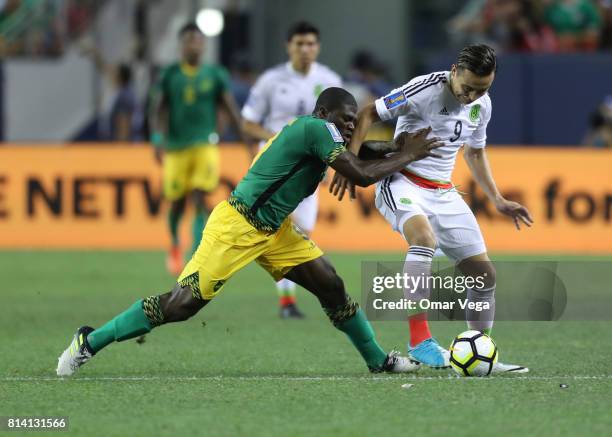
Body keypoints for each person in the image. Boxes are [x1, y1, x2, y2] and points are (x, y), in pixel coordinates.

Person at [56, 87, 444, 377]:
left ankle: (378, 360)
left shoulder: (322, 138)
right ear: (322, 112)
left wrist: (396, 147)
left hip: (274, 231)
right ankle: (89, 340)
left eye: (352, 122)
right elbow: (360, 174)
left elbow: (364, 158)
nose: (349, 125)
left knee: (331, 285)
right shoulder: (314, 128)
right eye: (343, 119)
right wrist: (407, 153)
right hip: (237, 225)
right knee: (181, 305)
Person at [330, 45, 532, 373]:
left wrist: (497, 199)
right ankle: (420, 341)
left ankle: (480, 354)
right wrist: (349, 163)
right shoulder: (424, 89)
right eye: (467, 87)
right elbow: (368, 113)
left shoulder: (483, 104)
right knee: (423, 239)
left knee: (484, 275)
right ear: (454, 71)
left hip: (444, 192)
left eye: (482, 89)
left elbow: (475, 153)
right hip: (402, 181)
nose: (471, 96)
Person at [241, 21, 342, 318]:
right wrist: (277, 141)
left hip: (311, 168)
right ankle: (287, 301)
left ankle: (292, 296)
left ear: (318, 46)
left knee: (303, 232)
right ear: (289, 46)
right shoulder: (271, 80)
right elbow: (248, 122)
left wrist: (335, 161)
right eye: (299, 43)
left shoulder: (330, 80)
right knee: (274, 227)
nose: (305, 49)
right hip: (277, 165)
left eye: (310, 43)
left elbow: (342, 126)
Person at [150, 22, 244, 275]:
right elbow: (159, 108)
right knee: (178, 202)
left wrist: (243, 139)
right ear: (182, 44)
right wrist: (158, 139)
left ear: (204, 45)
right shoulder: (171, 74)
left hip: (205, 144)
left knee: (201, 196)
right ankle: (174, 244)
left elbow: (229, 108)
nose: (195, 44)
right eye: (190, 39)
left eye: (199, 40)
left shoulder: (215, 74)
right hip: (177, 147)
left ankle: (196, 251)